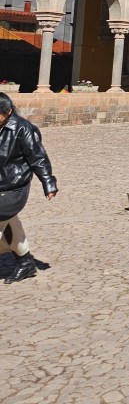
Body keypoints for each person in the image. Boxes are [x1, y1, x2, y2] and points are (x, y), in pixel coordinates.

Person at [0, 93, 58, 283]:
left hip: (14, 187)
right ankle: (25, 263)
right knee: (11, 222)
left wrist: (48, 183)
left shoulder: (23, 129)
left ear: (8, 112)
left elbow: (38, 158)